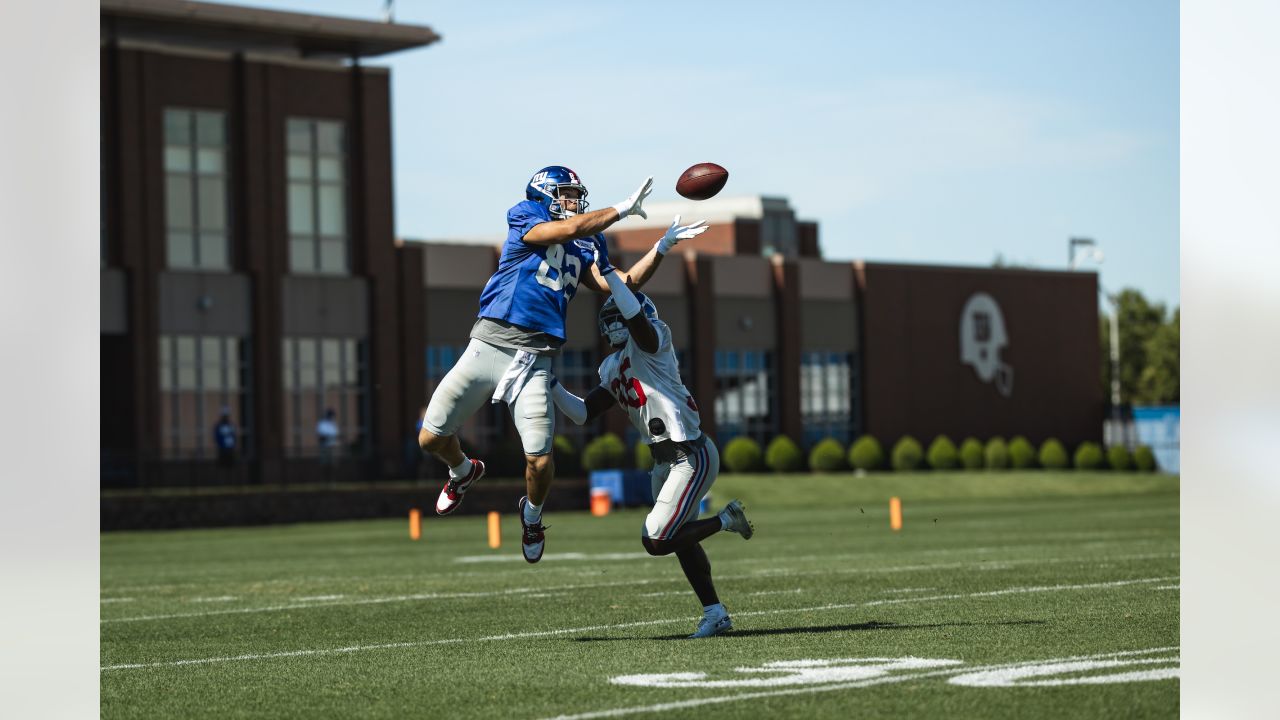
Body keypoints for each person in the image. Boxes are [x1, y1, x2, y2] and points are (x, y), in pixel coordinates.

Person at [418, 166, 707, 564]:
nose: (574, 202)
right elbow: (562, 231)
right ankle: (463, 470)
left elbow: (618, 284)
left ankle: (532, 517)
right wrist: (621, 209)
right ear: (544, 194)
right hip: (489, 344)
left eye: (576, 196)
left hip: (536, 358)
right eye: (567, 194)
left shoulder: (587, 243)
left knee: (539, 461)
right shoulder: (525, 215)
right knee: (430, 439)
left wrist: (661, 247)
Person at [548, 248, 754, 638]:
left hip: (690, 455)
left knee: (656, 539)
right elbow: (581, 413)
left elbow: (637, 322)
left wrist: (609, 273)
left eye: (616, 318)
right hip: (662, 463)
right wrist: (550, 382)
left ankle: (726, 519)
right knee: (677, 539)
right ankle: (716, 613)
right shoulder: (612, 366)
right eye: (606, 320)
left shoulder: (653, 342)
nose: (611, 326)